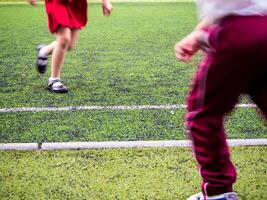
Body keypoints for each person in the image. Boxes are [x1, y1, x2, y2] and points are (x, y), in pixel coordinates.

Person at [174, 1, 267, 199]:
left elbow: (233, 7)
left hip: (237, 32)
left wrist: (200, 33)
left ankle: (219, 192)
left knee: (203, 114)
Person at [28, 0, 113, 93]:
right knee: (64, 39)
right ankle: (54, 79)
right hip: (57, 2)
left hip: (76, 3)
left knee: (68, 45)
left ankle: (44, 50)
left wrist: (105, 1)